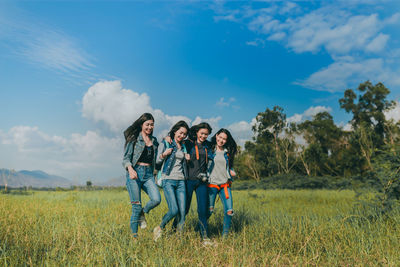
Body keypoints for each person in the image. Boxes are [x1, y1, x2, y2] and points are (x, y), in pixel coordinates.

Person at [122, 113, 161, 238]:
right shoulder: (134, 139)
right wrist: (130, 169)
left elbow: (156, 158)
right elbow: (126, 158)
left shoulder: (154, 141)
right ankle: (134, 237)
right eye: (147, 124)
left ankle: (143, 213)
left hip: (149, 174)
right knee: (136, 207)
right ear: (141, 125)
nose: (150, 127)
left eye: (152, 125)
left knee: (156, 199)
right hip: (134, 173)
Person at [153, 121, 190, 241]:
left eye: (185, 134)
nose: (182, 136)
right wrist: (163, 154)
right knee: (174, 210)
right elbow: (157, 162)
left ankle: (179, 240)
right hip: (168, 179)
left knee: (182, 213)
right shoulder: (166, 143)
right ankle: (159, 227)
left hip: (181, 181)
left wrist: (187, 157)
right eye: (180, 133)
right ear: (175, 131)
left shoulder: (184, 146)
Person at [207, 128, 237, 238]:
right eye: (220, 137)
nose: (221, 140)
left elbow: (229, 166)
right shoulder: (209, 149)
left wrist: (232, 171)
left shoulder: (227, 153)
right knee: (209, 212)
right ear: (216, 136)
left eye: (224, 139)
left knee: (229, 211)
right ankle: (200, 230)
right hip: (212, 185)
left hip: (225, 185)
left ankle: (225, 237)